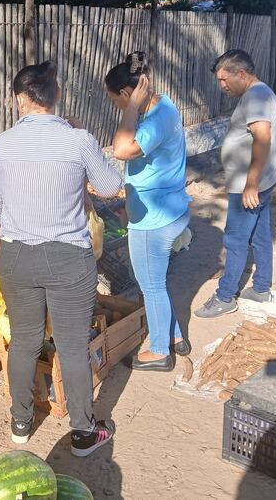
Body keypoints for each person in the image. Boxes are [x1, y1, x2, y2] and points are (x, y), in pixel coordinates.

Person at [0, 61, 122, 457]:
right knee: (72, 345)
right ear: (56, 96)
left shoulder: (1, 143)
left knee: (24, 341)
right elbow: (111, 185)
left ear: (19, 100)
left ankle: (21, 422)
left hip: (15, 257)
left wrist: (23, 226)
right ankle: (83, 433)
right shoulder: (78, 140)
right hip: (68, 258)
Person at [105, 51, 192, 372]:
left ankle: (159, 351)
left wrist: (128, 108)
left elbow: (121, 150)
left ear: (128, 94)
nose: (115, 105)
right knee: (156, 281)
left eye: (115, 99)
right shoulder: (163, 106)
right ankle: (175, 337)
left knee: (150, 285)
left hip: (154, 220)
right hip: (165, 208)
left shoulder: (155, 118)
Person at [194, 50, 276, 318]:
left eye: (224, 80)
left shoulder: (255, 96)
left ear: (241, 74)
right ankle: (261, 288)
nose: (221, 86)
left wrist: (251, 183)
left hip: (249, 184)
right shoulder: (261, 92)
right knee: (260, 236)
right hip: (259, 181)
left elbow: (263, 138)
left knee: (235, 240)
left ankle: (225, 296)